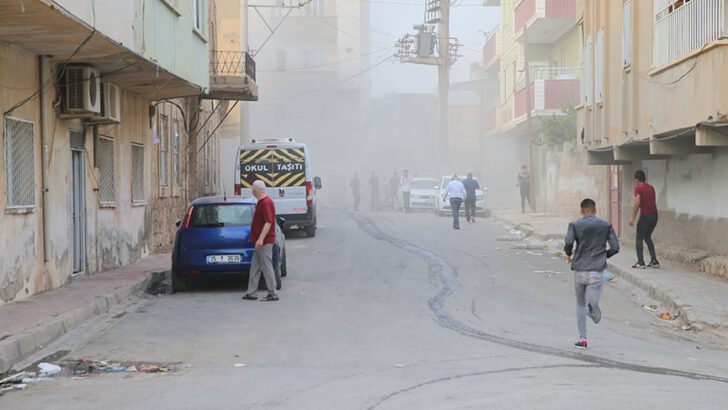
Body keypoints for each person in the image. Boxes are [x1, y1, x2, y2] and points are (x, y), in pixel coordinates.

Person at [564, 198, 620, 349]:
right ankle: (593, 307)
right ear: (595, 210)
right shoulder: (606, 225)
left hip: (579, 270)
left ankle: (582, 339)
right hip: (596, 270)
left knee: (580, 304)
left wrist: (569, 254)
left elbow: (568, 243)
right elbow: (615, 247)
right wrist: (604, 255)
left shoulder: (575, 225)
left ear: (582, 211)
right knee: (591, 302)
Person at [242, 180, 279, 302]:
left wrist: (261, 239)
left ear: (255, 191)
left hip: (264, 241)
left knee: (266, 266)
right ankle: (251, 292)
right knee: (255, 266)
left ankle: (273, 293)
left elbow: (268, 222)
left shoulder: (266, 203)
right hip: (260, 241)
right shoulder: (262, 202)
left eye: (253, 190)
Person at [629, 170, 660, 269]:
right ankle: (654, 261)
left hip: (645, 216)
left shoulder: (638, 188)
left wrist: (632, 218)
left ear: (637, 180)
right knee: (647, 237)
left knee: (639, 238)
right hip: (654, 216)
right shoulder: (651, 187)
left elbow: (637, 202)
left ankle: (640, 262)